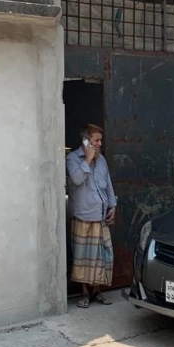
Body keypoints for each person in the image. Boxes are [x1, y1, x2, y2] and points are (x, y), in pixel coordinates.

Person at [66, 124, 118, 308]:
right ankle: (84, 293)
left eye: (100, 140)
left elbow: (108, 184)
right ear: (86, 141)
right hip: (83, 216)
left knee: (100, 256)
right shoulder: (73, 159)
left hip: (100, 215)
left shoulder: (101, 160)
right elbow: (76, 179)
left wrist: (113, 205)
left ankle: (97, 290)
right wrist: (87, 160)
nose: (99, 144)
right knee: (83, 258)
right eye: (96, 140)